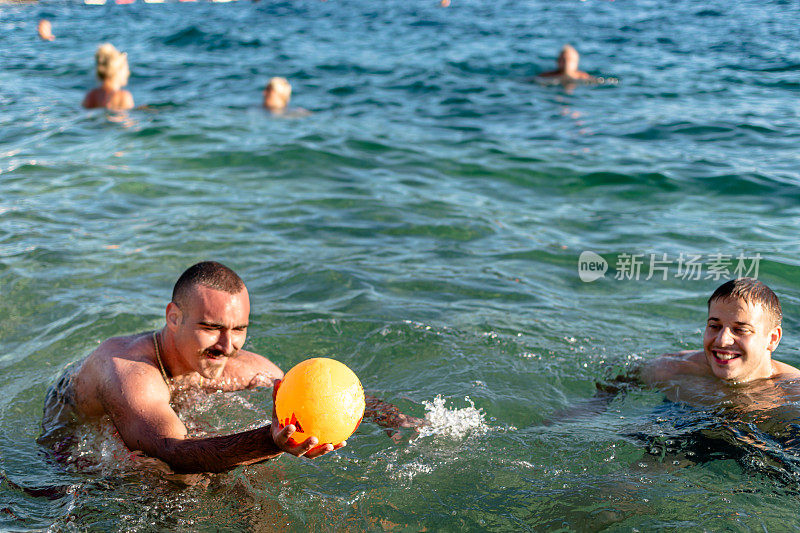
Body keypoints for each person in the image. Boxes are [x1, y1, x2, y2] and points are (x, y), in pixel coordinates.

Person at [40, 261, 422, 474]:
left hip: (162, 416)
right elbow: (170, 450)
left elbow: (309, 392)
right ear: (173, 317)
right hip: (68, 448)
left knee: (253, 482)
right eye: (211, 328)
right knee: (168, 481)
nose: (228, 347)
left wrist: (380, 413)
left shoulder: (239, 367)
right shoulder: (127, 368)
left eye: (240, 329)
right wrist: (268, 442)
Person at [82, 43, 134, 111]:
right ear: (118, 71)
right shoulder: (123, 97)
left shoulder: (91, 96)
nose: (128, 73)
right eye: (126, 69)